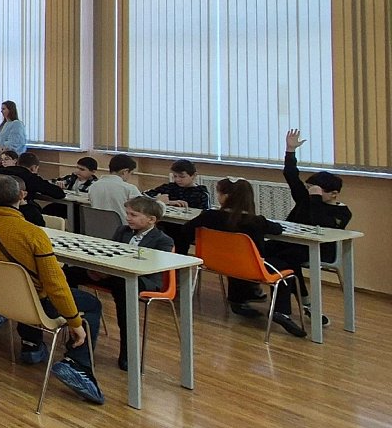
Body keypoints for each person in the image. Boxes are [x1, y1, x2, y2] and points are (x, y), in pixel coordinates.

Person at [0, 175, 104, 405]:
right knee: (92, 304)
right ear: (21, 196)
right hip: (33, 304)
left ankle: (32, 346)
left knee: (28, 287)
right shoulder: (33, 234)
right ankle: (77, 363)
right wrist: (75, 323)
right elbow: (56, 285)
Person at [258, 129, 353, 335]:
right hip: (290, 243)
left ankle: (295, 307)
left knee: (283, 260)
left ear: (333, 194)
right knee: (260, 250)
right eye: (309, 189)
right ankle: (302, 304)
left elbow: (320, 226)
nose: (310, 193)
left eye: (316, 190)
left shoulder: (343, 212)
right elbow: (291, 176)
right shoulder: (305, 199)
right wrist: (290, 151)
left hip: (319, 249)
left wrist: (316, 200)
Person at [64, 196, 175, 370]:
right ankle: (74, 328)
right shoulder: (123, 231)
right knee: (70, 273)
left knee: (123, 289)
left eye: (134, 215)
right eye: (127, 214)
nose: (128, 218)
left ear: (151, 220)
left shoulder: (163, 240)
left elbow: (153, 267)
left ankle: (128, 354)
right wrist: (99, 270)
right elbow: (112, 252)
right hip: (115, 275)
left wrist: (107, 274)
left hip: (142, 280)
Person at [186, 177, 286, 321]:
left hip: (215, 262)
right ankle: (281, 311)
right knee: (286, 264)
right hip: (249, 268)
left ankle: (242, 297)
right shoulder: (256, 221)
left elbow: (186, 229)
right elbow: (278, 229)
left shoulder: (209, 216)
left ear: (226, 196)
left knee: (236, 259)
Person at [87, 154, 141, 222]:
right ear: (125, 171)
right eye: (131, 173)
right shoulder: (129, 188)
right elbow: (143, 209)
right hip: (122, 226)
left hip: (97, 225)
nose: (130, 176)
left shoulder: (93, 186)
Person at [145, 159, 209, 210]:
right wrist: (166, 201)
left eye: (182, 177)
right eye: (175, 176)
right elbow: (144, 196)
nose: (177, 180)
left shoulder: (201, 193)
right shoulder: (168, 187)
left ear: (193, 175)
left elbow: (205, 214)